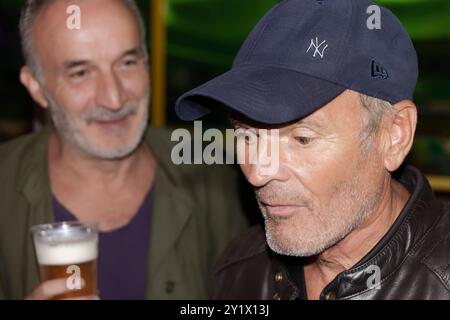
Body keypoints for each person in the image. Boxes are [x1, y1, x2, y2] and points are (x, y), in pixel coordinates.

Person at [175, 0, 450, 300]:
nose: (257, 173)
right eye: (248, 136)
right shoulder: (238, 271)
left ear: (394, 135)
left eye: (302, 138)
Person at [0, 0, 249, 300]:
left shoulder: (208, 175)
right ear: (36, 86)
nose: (115, 98)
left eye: (127, 62)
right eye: (80, 72)